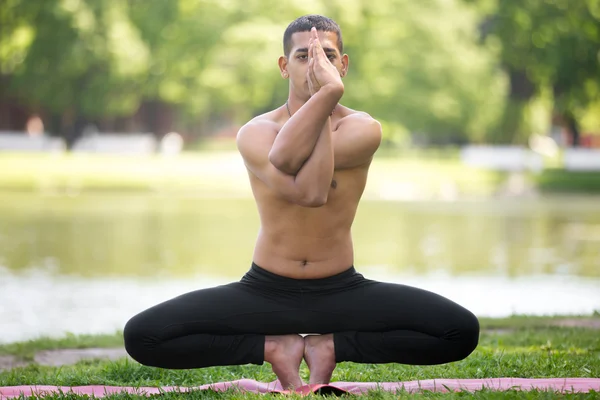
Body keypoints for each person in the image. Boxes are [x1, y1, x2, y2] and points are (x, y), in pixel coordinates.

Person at [123, 15, 479, 390]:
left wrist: (325, 98)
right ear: (283, 66)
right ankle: (274, 347)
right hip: (265, 290)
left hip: (341, 290)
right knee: (143, 336)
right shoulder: (256, 133)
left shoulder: (363, 129)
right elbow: (304, 187)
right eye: (303, 56)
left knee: (459, 330)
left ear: (343, 65)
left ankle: (330, 346)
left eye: (326, 55)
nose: (316, 66)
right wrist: (327, 95)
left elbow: (309, 184)